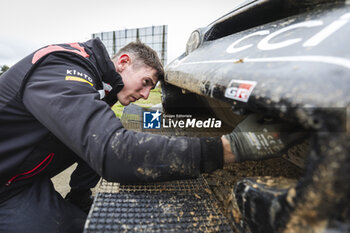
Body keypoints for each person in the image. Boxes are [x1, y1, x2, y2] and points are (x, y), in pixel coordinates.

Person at [0, 38, 301, 232]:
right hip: (7, 187)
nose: (145, 96)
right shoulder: (61, 66)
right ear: (123, 62)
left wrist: (80, 196)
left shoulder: (103, 87)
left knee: (79, 225)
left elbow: (86, 146)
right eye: (145, 83)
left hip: (22, 182)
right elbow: (111, 150)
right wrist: (230, 147)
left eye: (151, 89)